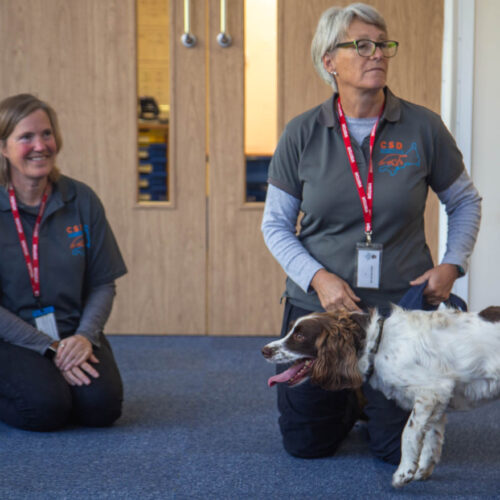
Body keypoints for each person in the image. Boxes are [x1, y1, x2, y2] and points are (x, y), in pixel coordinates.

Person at [261, 3, 481, 464]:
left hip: (401, 308)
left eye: (382, 45)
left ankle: (369, 397)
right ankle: (353, 395)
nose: (377, 54)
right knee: (307, 445)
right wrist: (318, 278)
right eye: (361, 45)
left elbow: (464, 201)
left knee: (393, 451)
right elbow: (275, 225)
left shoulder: (423, 127)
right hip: (321, 311)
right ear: (329, 61)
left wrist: (452, 264)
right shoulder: (301, 133)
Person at [0, 93, 127, 431]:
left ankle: (55, 378)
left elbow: (103, 282)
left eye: (46, 134)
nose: (40, 145)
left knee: (102, 408)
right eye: (26, 137)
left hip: (72, 332)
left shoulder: (81, 199)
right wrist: (48, 348)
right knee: (44, 409)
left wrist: (84, 337)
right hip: (10, 338)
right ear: (3, 148)